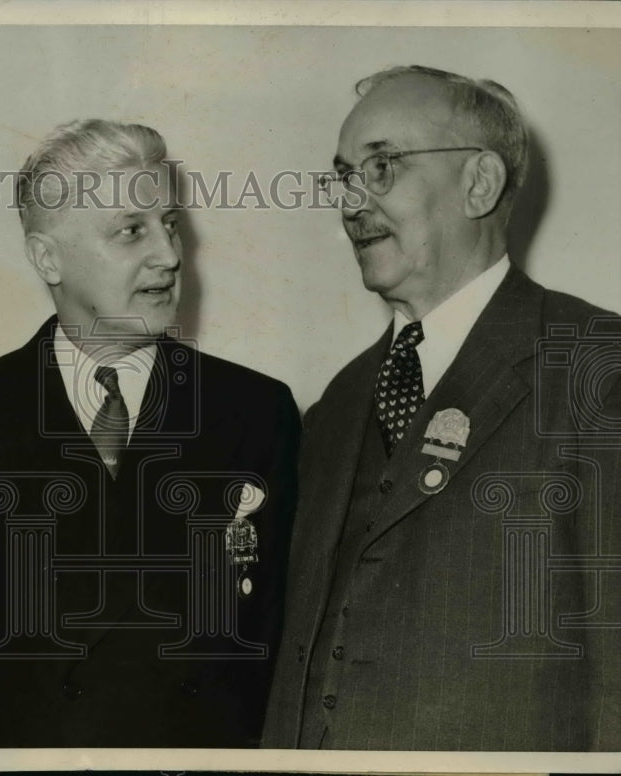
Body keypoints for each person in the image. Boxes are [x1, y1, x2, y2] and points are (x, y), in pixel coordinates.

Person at [263, 66, 621, 751]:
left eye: (383, 165)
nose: (352, 202)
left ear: (479, 183)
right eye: (344, 176)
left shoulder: (596, 368)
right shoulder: (335, 404)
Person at [0, 119, 301, 747]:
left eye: (170, 224)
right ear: (48, 258)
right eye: (131, 230)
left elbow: (272, 640)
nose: (169, 256)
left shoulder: (256, 412)